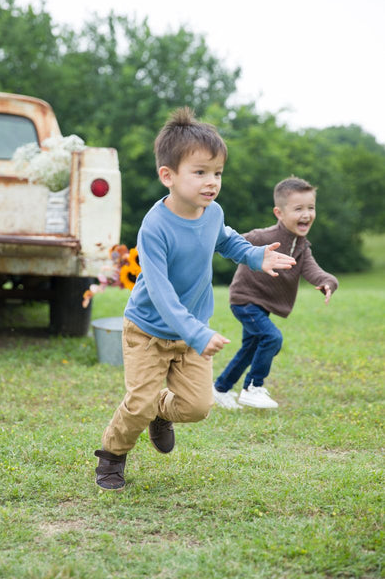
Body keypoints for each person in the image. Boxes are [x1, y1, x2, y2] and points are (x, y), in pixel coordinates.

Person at [94, 108, 296, 490]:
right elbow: (161, 292)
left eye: (217, 172)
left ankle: (160, 412)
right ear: (168, 176)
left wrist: (255, 254)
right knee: (138, 403)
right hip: (149, 330)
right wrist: (198, 332)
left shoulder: (211, 212)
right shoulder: (154, 227)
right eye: (200, 172)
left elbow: (226, 239)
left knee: (197, 407)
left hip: (191, 335)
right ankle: (112, 455)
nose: (212, 182)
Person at [213, 176, 339, 410]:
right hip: (245, 300)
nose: (306, 214)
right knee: (271, 338)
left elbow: (312, 270)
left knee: (250, 348)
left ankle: (220, 388)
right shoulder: (263, 236)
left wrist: (327, 282)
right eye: (298, 208)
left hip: (262, 305)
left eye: (311, 208)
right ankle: (253, 387)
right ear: (279, 213)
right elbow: (231, 242)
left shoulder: (302, 246)